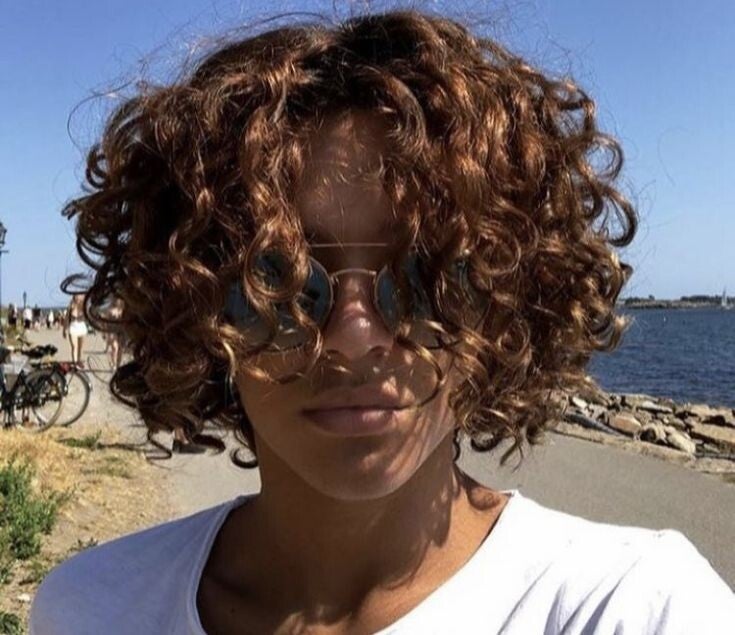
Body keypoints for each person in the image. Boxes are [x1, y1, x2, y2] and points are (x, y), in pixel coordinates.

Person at [30, 9, 734, 634]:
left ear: (506, 306)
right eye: (277, 278)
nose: (355, 335)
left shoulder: (639, 609)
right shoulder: (90, 610)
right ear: (192, 304)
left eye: (427, 276)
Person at [62, 293, 88, 368]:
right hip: (72, 328)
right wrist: (64, 330)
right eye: (77, 296)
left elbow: (90, 315)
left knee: (80, 347)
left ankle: (79, 361)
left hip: (82, 328)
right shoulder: (71, 306)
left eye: (80, 296)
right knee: (74, 346)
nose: (78, 297)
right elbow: (66, 319)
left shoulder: (84, 306)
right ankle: (75, 363)